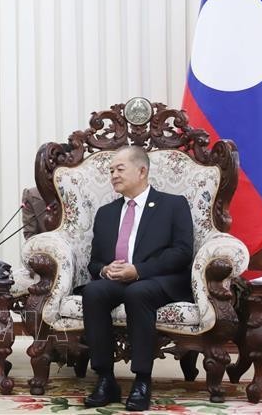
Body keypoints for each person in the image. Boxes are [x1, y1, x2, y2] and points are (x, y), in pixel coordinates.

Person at [81, 145, 193, 411]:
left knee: (138, 292)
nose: (113, 175)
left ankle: (142, 379)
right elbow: (94, 261)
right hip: (117, 279)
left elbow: (182, 252)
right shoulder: (106, 213)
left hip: (159, 280)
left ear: (142, 171)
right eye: (110, 171)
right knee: (93, 292)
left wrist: (139, 270)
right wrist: (105, 270)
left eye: (120, 169)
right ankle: (106, 379)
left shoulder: (173, 205)